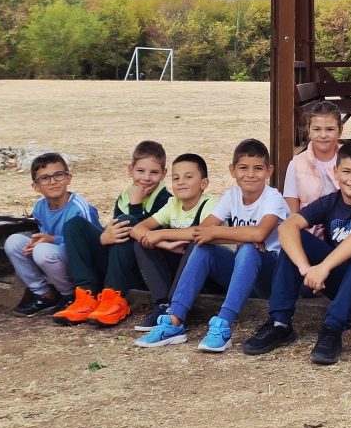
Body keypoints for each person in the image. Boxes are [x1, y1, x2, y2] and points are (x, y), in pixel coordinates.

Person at [242, 142, 351, 365]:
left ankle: (332, 328)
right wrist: (306, 269)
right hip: (333, 280)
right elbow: (287, 226)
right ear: (336, 172)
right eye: (347, 171)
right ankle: (279, 322)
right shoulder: (330, 201)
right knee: (296, 238)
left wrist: (324, 267)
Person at [135, 139, 288, 351]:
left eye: (258, 168)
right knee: (203, 247)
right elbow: (201, 232)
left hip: (270, 277)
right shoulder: (231, 196)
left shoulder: (273, 198)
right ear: (232, 170)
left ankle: (222, 324)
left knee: (249, 248)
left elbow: (259, 233)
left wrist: (219, 233)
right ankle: (174, 320)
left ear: (269, 171)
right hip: (240, 273)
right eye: (243, 168)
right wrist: (161, 234)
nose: (250, 174)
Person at [54, 140, 171, 328]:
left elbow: (143, 236)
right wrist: (104, 238)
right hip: (117, 265)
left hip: (142, 273)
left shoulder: (166, 201)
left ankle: (115, 298)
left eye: (154, 172)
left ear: (164, 174)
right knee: (74, 225)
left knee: (127, 221)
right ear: (130, 170)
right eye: (140, 171)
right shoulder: (124, 197)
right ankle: (86, 295)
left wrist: (136, 206)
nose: (146, 178)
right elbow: (115, 237)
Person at [6, 153, 100, 317]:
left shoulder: (79, 207)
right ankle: (44, 294)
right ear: (36, 186)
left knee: (43, 251)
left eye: (58, 175)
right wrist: (35, 243)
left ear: (68, 178)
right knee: (13, 242)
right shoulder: (40, 206)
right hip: (57, 256)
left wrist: (52, 240)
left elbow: (94, 244)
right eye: (44, 178)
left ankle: (70, 295)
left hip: (82, 264)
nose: (53, 182)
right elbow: (44, 236)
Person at [127, 154, 217, 319]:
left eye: (188, 177)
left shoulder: (211, 205)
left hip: (208, 275)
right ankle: (163, 304)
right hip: (179, 271)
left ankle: (176, 306)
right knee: (142, 243)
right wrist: (163, 244)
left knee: (197, 244)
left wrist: (160, 234)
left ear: (204, 183)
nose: (181, 182)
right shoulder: (173, 204)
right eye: (176, 178)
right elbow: (137, 229)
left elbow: (201, 232)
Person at [283, 100, 342, 216]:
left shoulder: (350, 160)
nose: (323, 135)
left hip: (344, 224)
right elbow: (292, 213)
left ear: (340, 131)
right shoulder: (296, 164)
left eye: (330, 129)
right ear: (308, 131)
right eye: (317, 129)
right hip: (306, 225)